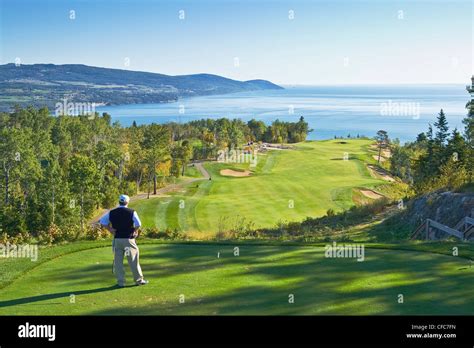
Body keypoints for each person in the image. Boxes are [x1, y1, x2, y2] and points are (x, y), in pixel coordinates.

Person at [99, 194, 149, 287]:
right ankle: (139, 280)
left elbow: (102, 221)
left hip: (117, 239)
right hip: (128, 239)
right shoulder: (132, 212)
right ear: (127, 202)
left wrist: (110, 229)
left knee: (118, 262)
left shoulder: (112, 212)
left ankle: (121, 282)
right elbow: (138, 223)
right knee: (133, 261)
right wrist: (135, 230)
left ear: (119, 202)